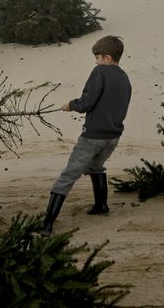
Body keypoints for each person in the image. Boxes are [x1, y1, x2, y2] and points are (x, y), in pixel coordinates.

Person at [40, 35, 132, 235]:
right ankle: (101, 206)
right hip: (113, 136)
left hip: (93, 136)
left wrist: (71, 105)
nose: (96, 61)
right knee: (96, 167)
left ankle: (47, 223)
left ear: (107, 58)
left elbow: (87, 101)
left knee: (68, 175)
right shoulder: (124, 77)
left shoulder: (100, 71)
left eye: (98, 57)